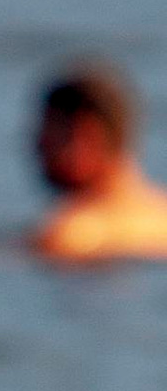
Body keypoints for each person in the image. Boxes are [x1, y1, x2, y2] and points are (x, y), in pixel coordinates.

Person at [27, 61, 167, 265]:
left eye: (49, 136)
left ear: (86, 135)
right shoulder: (159, 214)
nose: (38, 148)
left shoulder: (72, 234)